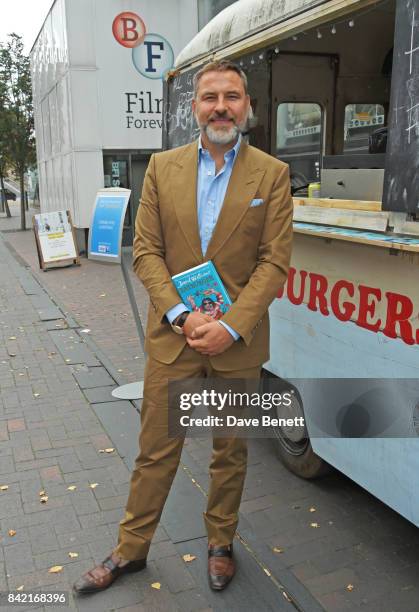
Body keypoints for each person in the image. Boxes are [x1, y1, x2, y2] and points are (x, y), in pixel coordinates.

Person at [73, 59, 293, 595]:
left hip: (234, 347)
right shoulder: (162, 168)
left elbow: (274, 263)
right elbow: (146, 252)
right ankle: (132, 548)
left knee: (230, 449)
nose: (221, 106)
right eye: (210, 96)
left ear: (248, 107)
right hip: (176, 341)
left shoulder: (272, 174)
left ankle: (220, 543)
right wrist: (184, 314)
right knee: (156, 449)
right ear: (193, 106)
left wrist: (232, 327)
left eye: (232, 97)